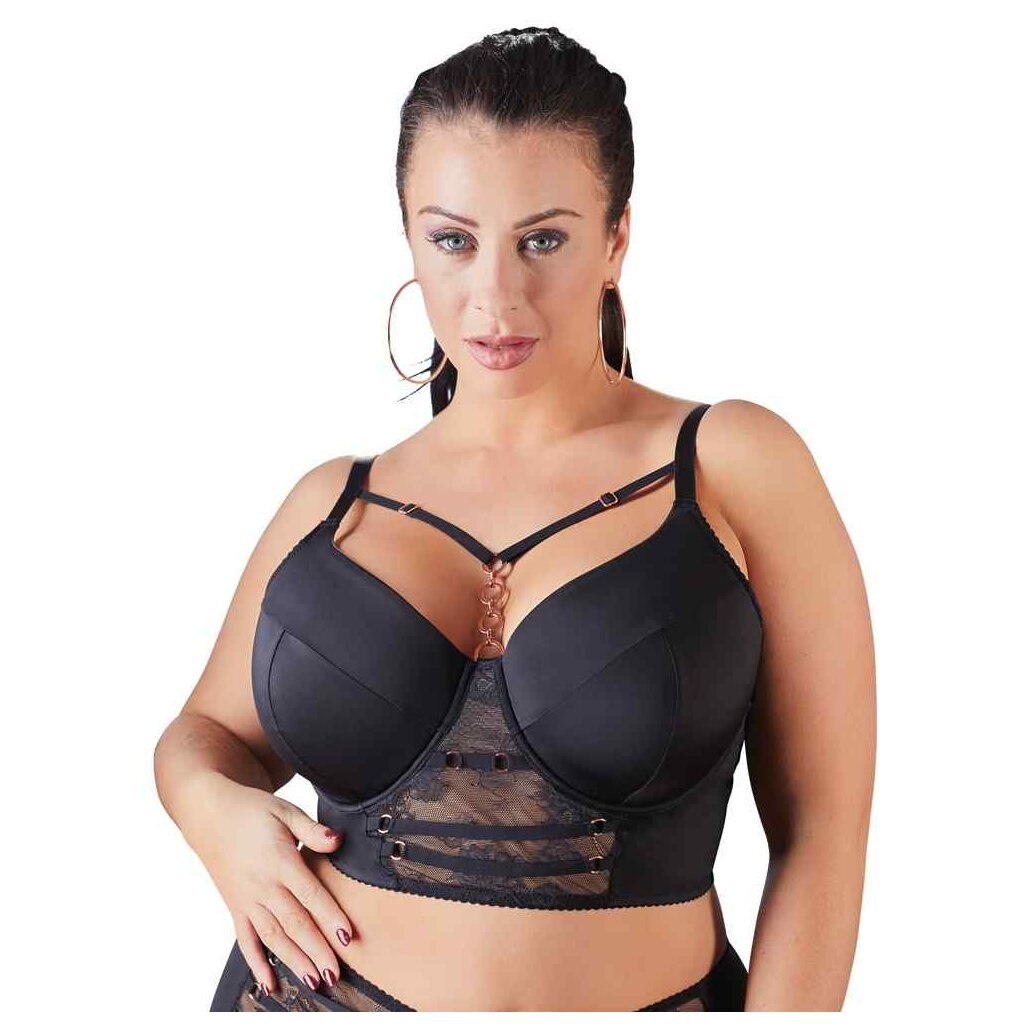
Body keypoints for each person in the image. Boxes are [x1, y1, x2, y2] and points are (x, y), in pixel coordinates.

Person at [153, 26, 875, 1012]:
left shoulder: (733, 466)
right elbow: (203, 732)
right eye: (453, 240)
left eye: (543, 239)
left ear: (616, 238)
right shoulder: (333, 504)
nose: (494, 295)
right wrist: (212, 811)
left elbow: (822, 836)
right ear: (409, 238)